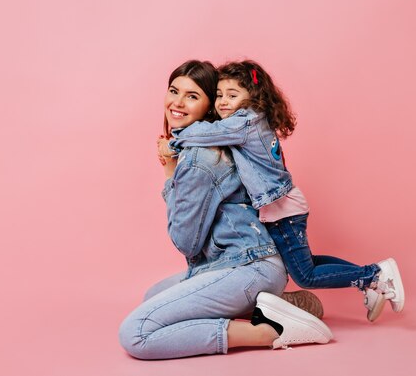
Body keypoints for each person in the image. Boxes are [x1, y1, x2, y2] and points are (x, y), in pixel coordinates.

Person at [119, 60, 333, 360]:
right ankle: (280, 304)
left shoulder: (199, 159)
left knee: (136, 334)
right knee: (152, 299)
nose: (177, 103)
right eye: (174, 91)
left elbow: (186, 242)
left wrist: (169, 175)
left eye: (192, 96)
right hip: (246, 264)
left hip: (247, 268)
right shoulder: (214, 146)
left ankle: (271, 330)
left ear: (208, 106)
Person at [161, 60, 405, 322]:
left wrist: (174, 143)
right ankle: (367, 280)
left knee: (305, 275)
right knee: (306, 262)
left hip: (282, 210)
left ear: (253, 98)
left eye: (232, 96)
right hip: (282, 207)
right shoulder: (246, 123)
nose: (223, 102)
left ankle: (374, 275)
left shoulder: (244, 123)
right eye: (219, 95)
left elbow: (208, 133)